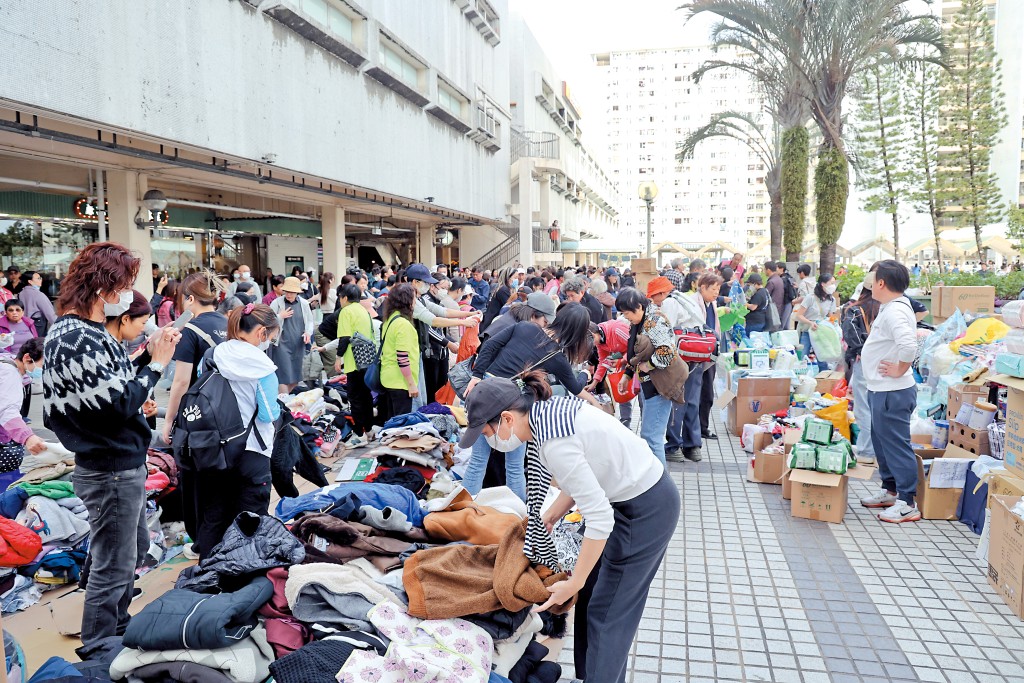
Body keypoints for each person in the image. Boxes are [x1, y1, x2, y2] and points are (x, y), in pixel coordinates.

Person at [459, 373, 679, 683]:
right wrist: (552, 514)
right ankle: (589, 676)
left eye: (486, 431)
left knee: (607, 613)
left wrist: (574, 581)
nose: (488, 439)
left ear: (507, 419)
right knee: (593, 598)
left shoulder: (553, 440)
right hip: (630, 499)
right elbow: (585, 472)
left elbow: (600, 519)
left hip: (645, 510)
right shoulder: (547, 413)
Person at [42, 242, 180, 646]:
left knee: (129, 552)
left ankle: (114, 627)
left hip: (116, 463)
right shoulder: (76, 336)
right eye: (123, 284)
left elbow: (110, 391)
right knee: (114, 565)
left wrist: (146, 360)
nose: (125, 293)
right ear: (103, 287)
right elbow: (117, 402)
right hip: (110, 469)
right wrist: (155, 365)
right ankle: (100, 644)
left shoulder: (82, 334)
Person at [463, 303, 600, 500]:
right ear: (577, 331)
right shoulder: (556, 357)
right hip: (515, 406)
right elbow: (575, 388)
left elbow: (490, 345)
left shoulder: (526, 327)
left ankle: (462, 511)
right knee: (515, 466)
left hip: (486, 392)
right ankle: (520, 518)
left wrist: (476, 376)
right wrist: (591, 392)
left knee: (477, 460)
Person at [187, 303, 281, 556]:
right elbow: (268, 414)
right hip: (252, 451)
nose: (270, 341)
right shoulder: (263, 367)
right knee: (252, 519)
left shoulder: (211, 356)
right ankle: (249, 572)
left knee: (214, 516)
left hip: (213, 450)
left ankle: (208, 571)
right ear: (261, 332)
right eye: (271, 335)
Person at [858, 260, 920, 523]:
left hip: (892, 390)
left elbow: (909, 345)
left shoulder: (894, 311)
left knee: (895, 444)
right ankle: (891, 490)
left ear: (880, 283)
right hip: (881, 389)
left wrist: (900, 367)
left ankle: (907, 501)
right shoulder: (892, 307)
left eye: (872, 278)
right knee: (882, 442)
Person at [615, 287, 688, 465]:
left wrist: (648, 366)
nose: (626, 318)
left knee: (652, 438)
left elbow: (667, 351)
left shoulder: (654, 321)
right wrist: (627, 374)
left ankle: (660, 484)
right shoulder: (641, 320)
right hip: (651, 385)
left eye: (626, 313)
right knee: (650, 436)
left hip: (660, 386)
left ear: (639, 307)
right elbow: (636, 352)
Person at [162, 272, 230, 445]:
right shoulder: (229, 324)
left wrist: (169, 420)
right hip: (230, 406)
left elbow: (181, 382)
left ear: (190, 299)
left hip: (200, 410)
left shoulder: (190, 331)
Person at [842, 274, 881, 466]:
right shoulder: (887, 308)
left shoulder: (855, 310)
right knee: (876, 407)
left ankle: (867, 451)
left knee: (863, 407)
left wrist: (857, 349)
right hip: (884, 363)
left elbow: (850, 334)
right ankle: (874, 448)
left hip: (864, 361)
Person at [0, 337, 46, 476]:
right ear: (27, 358)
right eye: (43, 365)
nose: (43, 370)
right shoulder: (9, 373)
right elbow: (7, 412)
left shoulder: (8, 364)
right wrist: (28, 437)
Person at [378, 283, 420, 420]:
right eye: (414, 298)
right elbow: (402, 358)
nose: (415, 301)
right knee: (400, 425)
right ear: (407, 301)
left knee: (393, 421)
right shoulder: (403, 324)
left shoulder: (390, 319)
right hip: (400, 381)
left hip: (389, 376)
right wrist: (411, 384)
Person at [269, 276, 315, 393]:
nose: (289, 294)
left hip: (298, 343)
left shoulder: (304, 303)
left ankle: (283, 399)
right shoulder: (277, 303)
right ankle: (283, 401)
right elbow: (268, 321)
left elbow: (310, 321)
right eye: (287, 291)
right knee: (283, 375)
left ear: (297, 292)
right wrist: (280, 316)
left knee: (296, 376)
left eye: (292, 292)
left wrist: (308, 333)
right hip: (281, 344)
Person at [587, 318, 634, 428]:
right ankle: (625, 423)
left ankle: (645, 426)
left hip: (638, 358)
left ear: (594, 335)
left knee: (640, 393)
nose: (592, 346)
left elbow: (636, 347)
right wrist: (594, 383)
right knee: (622, 390)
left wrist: (621, 360)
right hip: (624, 358)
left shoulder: (616, 330)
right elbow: (603, 362)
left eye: (590, 342)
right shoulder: (600, 341)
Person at [793, 273, 838, 372]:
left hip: (820, 332)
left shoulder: (831, 300)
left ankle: (824, 379)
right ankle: (801, 377)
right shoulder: (810, 298)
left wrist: (834, 322)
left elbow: (830, 316)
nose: (833, 286)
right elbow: (799, 315)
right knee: (802, 357)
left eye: (834, 283)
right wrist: (810, 323)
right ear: (823, 284)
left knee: (822, 358)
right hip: (806, 331)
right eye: (831, 283)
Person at [18, 270, 57, 336]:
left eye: (41, 278)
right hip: (37, 324)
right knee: (38, 343)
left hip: (24, 323)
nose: (41, 279)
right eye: (38, 278)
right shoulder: (38, 294)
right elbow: (50, 314)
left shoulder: (20, 294)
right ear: (30, 281)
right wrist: (58, 326)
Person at [480, 267, 516, 332]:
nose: (516, 280)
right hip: (493, 322)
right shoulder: (504, 290)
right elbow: (509, 307)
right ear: (509, 278)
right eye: (515, 277)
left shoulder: (502, 288)